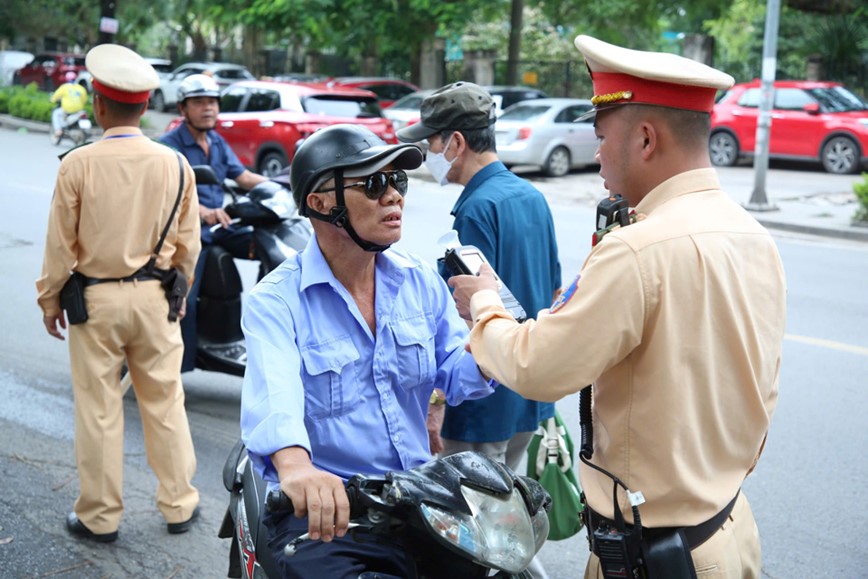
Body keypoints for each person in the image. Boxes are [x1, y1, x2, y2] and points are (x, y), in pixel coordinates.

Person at [448, 35, 787, 579]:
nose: (598, 152)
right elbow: (763, 392)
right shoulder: (752, 235)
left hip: (654, 555)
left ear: (646, 139)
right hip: (728, 530)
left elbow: (540, 368)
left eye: (603, 137)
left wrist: (484, 305)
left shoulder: (635, 249)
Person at [239, 124, 496, 577]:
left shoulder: (420, 282)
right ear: (321, 203)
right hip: (328, 511)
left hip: (419, 499)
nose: (394, 196)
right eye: (375, 184)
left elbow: (457, 376)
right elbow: (273, 397)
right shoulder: (276, 301)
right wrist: (298, 469)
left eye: (397, 182)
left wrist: (497, 332)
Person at [36, 44, 202, 543]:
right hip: (156, 300)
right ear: (147, 106)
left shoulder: (77, 164)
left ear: (98, 105)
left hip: (96, 303)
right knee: (165, 402)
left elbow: (59, 248)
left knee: (99, 410)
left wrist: (49, 301)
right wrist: (178, 294)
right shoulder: (176, 165)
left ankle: (100, 517)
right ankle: (178, 504)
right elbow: (189, 248)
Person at [396, 81, 560, 569]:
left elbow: (461, 314)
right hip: (526, 394)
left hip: (483, 397)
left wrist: (436, 404)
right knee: (504, 520)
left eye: (432, 143)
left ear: (457, 143)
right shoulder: (530, 196)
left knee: (478, 535)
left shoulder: (475, 209)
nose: (429, 153)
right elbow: (552, 293)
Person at [159, 73, 267, 372]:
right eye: (199, 103)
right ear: (183, 109)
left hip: (220, 227)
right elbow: (165, 193)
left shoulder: (217, 142)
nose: (208, 109)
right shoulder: (168, 147)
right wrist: (202, 210)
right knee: (184, 300)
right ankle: (175, 368)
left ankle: (264, 317)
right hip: (189, 234)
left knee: (268, 248)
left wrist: (283, 186)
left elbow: (242, 176)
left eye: (212, 102)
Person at [50, 71, 88, 138]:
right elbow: (84, 100)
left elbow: (55, 96)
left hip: (67, 109)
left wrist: (52, 100)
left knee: (56, 113)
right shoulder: (81, 88)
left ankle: (58, 130)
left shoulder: (64, 87)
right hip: (79, 110)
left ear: (66, 79)